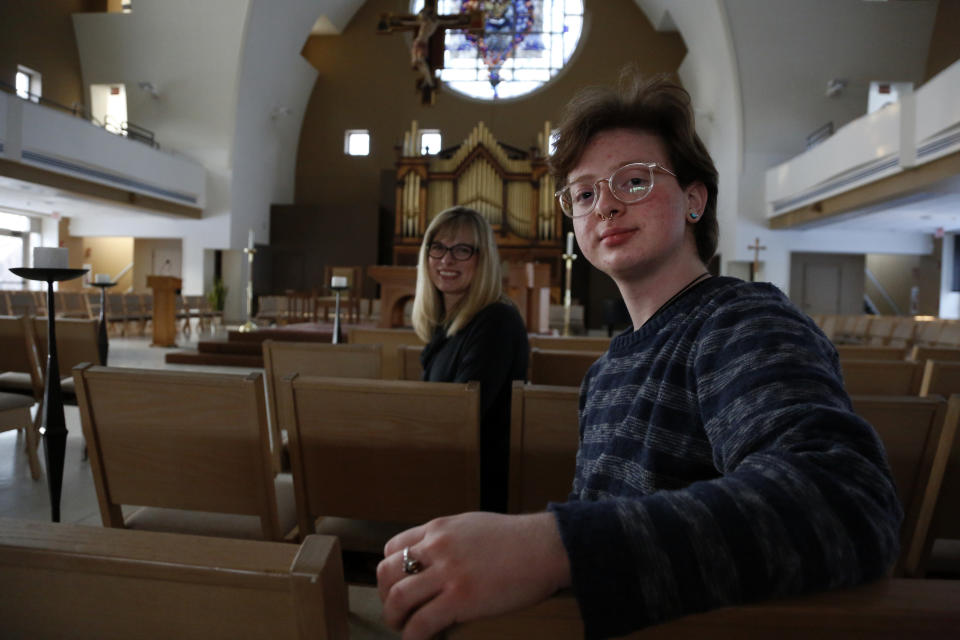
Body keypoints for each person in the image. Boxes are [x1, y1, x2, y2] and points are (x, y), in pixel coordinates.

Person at [377, 72, 902, 640]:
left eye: (633, 181)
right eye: (583, 193)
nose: (603, 205)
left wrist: (552, 546)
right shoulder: (606, 373)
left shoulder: (739, 318)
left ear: (694, 200)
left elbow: (845, 499)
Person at [412, 206, 529, 514]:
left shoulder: (496, 321)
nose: (447, 260)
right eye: (437, 248)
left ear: (484, 259)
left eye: (462, 250)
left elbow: (461, 418)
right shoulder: (447, 322)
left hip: (476, 492)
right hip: (445, 471)